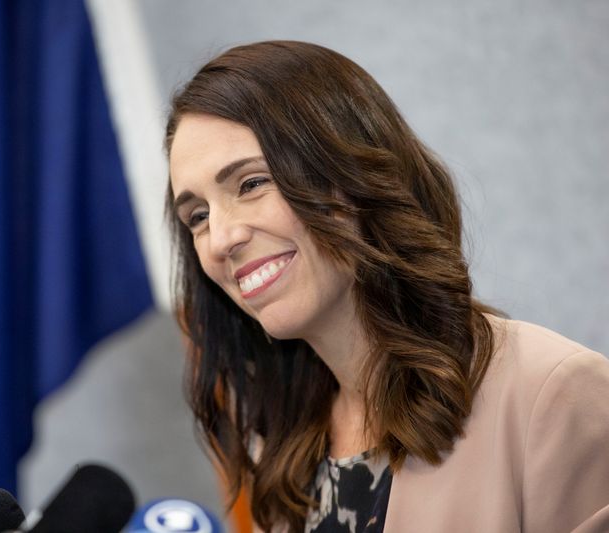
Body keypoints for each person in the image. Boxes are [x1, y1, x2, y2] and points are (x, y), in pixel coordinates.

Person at [163, 40, 609, 533]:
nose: (222, 238)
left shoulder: (554, 394)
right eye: (198, 216)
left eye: (251, 184)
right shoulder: (286, 451)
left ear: (352, 173)